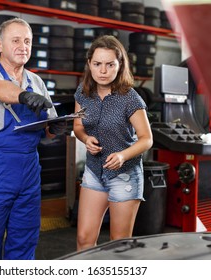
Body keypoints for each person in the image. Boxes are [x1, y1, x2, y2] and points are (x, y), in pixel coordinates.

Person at [0, 17, 68, 260]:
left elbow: (47, 126)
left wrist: (55, 127)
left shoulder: (37, 81)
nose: (23, 46)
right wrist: (23, 96)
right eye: (16, 40)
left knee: (25, 236)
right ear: (0, 45)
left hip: (28, 167)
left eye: (27, 41)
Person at [73, 35, 153, 251]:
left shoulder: (130, 97)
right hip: (93, 170)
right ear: (90, 64)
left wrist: (122, 155)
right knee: (84, 240)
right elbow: (78, 126)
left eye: (110, 64)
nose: (103, 70)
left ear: (120, 65)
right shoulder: (83, 91)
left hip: (125, 174)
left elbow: (147, 139)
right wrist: (85, 138)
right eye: (97, 64)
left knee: (120, 245)